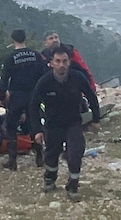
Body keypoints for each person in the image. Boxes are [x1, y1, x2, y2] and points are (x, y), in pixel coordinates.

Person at [31, 45, 100, 200]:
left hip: (73, 122)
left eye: (65, 61)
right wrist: (37, 130)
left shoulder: (78, 78)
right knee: (52, 154)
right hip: (52, 124)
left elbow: (91, 97)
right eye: (58, 61)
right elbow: (33, 105)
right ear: (51, 63)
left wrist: (96, 119)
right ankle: (50, 179)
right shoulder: (44, 82)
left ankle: (73, 186)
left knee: (75, 153)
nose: (61, 65)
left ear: (69, 62)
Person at [0, 29, 48, 171]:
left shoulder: (10, 58)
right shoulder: (36, 55)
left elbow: (4, 81)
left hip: (17, 96)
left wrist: (2, 97)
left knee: (11, 126)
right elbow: (43, 76)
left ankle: (12, 161)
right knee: (35, 124)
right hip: (33, 95)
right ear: (25, 38)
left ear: (13, 39)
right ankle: (39, 156)